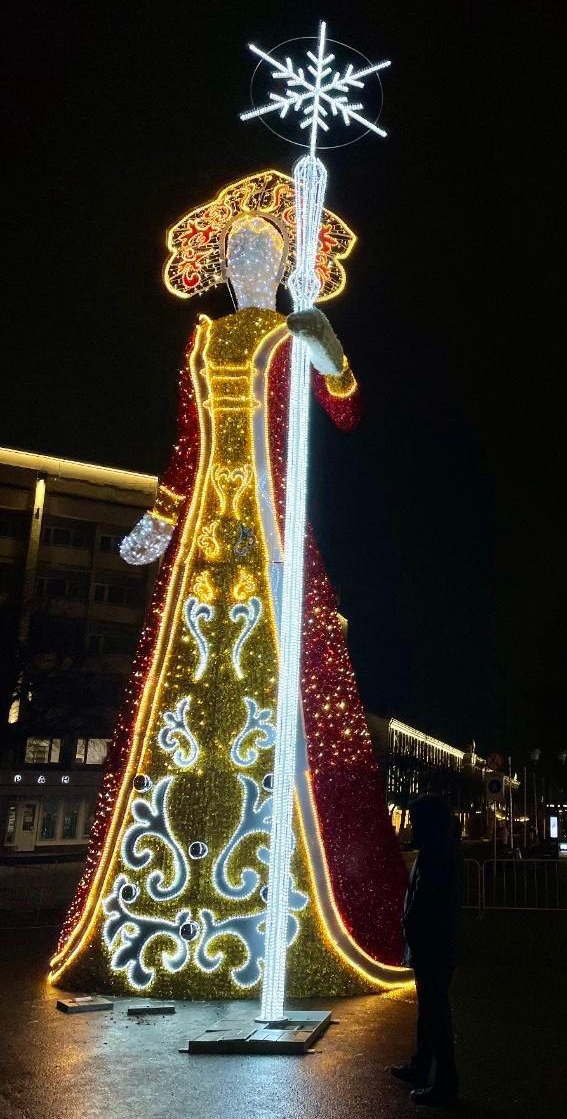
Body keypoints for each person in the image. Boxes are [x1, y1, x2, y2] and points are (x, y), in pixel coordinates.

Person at [51, 173, 410, 998]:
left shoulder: (293, 333)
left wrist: (333, 356)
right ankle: (163, 902)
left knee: (292, 684)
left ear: (285, 266)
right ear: (221, 264)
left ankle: (301, 898)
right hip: (207, 540)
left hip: (275, 530)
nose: (252, 256)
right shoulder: (202, 344)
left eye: (266, 248)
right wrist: (160, 520)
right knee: (179, 693)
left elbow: (347, 413)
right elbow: (187, 447)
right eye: (240, 247)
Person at [392, 793, 460, 1106]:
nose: (411, 827)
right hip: (433, 943)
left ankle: (445, 1083)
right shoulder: (436, 851)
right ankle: (421, 1066)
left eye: (416, 821)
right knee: (429, 1010)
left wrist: (411, 924)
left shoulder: (438, 856)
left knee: (435, 1012)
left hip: (433, 945)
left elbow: (428, 902)